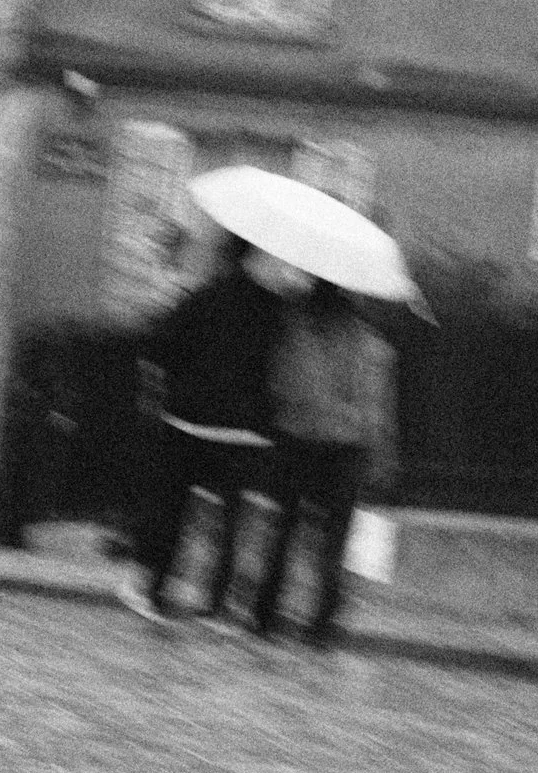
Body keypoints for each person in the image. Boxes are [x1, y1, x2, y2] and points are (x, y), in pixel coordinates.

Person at [117, 234, 283, 625]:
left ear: (223, 254)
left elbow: (159, 348)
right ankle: (219, 604)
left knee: (171, 508)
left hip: (189, 421)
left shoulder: (201, 298)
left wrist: (180, 381)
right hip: (245, 430)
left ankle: (155, 591)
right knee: (231, 519)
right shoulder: (273, 308)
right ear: (256, 254)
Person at [251, 278, 397, 645]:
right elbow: (376, 409)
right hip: (347, 451)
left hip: (299, 442)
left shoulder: (294, 335)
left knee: (283, 531)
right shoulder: (371, 345)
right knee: (334, 540)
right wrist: (381, 459)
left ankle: (266, 613)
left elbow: (279, 387)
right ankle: (322, 622)